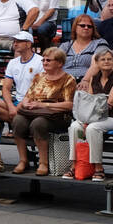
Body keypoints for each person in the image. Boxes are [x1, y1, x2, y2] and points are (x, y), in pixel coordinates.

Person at [9, 47, 76, 175]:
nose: (44, 62)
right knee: (18, 121)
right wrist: (26, 102)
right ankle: (23, 160)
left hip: (57, 116)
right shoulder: (38, 76)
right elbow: (28, 96)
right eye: (44, 60)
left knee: (38, 123)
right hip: (34, 111)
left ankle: (43, 163)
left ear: (60, 63)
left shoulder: (68, 79)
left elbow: (69, 105)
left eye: (49, 60)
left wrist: (43, 105)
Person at [65, 47, 113, 182]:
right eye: (103, 59)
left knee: (93, 128)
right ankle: (74, 164)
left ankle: (98, 168)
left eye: (109, 59)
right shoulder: (93, 78)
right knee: (75, 126)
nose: (106, 61)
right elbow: (90, 102)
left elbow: (110, 103)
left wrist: (89, 121)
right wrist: (86, 119)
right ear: (97, 62)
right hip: (94, 115)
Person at [0, 32, 43, 124]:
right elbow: (6, 88)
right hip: (17, 100)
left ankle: (19, 124)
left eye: (19, 41)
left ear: (28, 44)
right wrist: (11, 107)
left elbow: (38, 89)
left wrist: (18, 107)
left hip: (32, 101)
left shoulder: (40, 61)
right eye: (14, 41)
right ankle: (19, 123)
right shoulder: (13, 62)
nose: (15, 44)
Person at [62, 15, 107, 80]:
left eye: (89, 26)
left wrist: (85, 80)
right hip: (64, 80)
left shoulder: (100, 43)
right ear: (75, 27)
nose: (86, 28)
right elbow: (54, 63)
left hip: (88, 81)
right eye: (82, 25)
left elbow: (97, 63)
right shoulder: (65, 45)